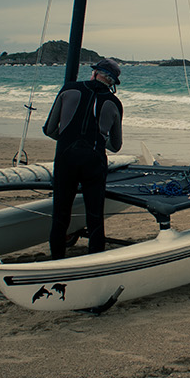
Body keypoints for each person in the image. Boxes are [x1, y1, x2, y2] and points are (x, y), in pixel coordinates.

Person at [43, 58, 124, 259]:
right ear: (112, 82)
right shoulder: (115, 103)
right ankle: (95, 260)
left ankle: (57, 259)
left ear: (95, 73)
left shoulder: (69, 89)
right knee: (95, 216)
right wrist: (96, 139)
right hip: (94, 161)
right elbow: (116, 146)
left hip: (66, 157)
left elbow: (49, 129)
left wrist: (69, 138)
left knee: (61, 213)